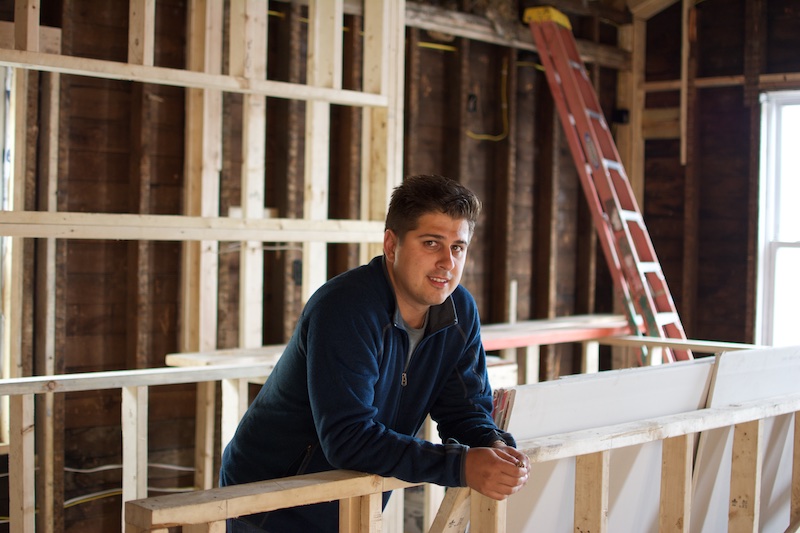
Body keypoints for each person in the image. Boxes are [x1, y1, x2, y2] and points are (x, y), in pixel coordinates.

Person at [220, 174, 529, 532]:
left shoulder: (458, 311)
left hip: (354, 496)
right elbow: (348, 437)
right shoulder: (345, 308)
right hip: (270, 501)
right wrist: (461, 466)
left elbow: (463, 408)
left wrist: (491, 444)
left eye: (458, 247)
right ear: (391, 245)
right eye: (432, 243)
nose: (447, 262)